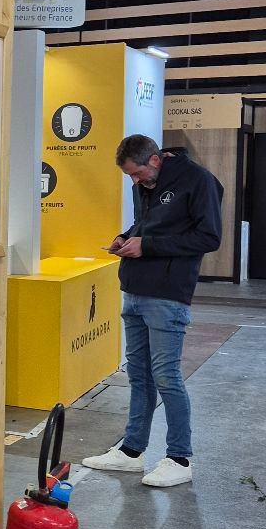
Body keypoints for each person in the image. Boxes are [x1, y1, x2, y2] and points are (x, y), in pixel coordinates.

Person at [83, 134, 223, 489]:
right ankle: (131, 451)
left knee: (166, 376)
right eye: (129, 176)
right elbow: (146, 225)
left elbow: (209, 237)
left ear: (156, 160)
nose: (135, 180)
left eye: (137, 173)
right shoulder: (144, 184)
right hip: (134, 289)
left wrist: (147, 246)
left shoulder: (198, 181)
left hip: (167, 293)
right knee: (139, 375)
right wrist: (126, 236)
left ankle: (180, 458)